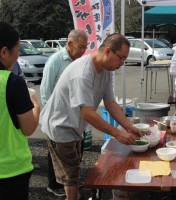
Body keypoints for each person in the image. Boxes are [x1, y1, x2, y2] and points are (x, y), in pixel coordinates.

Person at [39, 33, 142, 200]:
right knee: (71, 176)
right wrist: (117, 134)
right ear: (108, 51)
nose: (122, 64)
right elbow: (86, 112)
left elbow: (110, 102)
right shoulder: (83, 72)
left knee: (73, 171)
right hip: (60, 125)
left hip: (74, 125)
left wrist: (129, 126)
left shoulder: (107, 70)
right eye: (121, 58)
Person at [40, 29, 88, 197]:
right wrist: (50, 117)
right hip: (56, 117)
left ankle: (70, 181)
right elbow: (46, 90)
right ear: (69, 44)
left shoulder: (79, 61)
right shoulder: (56, 61)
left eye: (85, 47)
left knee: (74, 154)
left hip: (73, 117)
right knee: (56, 153)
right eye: (80, 47)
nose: (83, 51)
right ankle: (54, 184)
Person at [0, 22, 40, 200]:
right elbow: (28, 128)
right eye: (17, 49)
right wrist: (36, 105)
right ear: (3, 52)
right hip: (11, 172)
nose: (18, 55)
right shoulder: (12, 82)